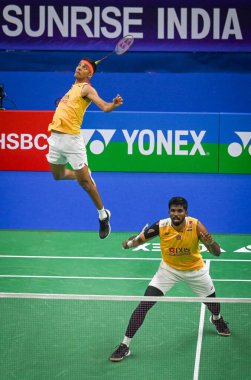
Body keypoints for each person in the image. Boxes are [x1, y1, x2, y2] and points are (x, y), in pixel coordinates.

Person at [110, 196, 231, 362]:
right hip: (168, 271)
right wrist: (128, 244)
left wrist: (211, 244)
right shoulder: (162, 225)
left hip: (195, 271)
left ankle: (216, 319)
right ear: (169, 212)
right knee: (144, 304)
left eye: (180, 211)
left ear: (186, 212)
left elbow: (216, 252)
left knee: (214, 305)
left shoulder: (196, 226)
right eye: (173, 211)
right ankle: (125, 345)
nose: (176, 214)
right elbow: (140, 239)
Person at [46, 58, 123, 239]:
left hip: (72, 140)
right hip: (55, 138)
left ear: (89, 74)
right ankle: (84, 173)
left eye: (84, 68)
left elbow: (104, 106)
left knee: (86, 184)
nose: (79, 68)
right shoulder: (71, 89)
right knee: (58, 175)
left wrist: (113, 104)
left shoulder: (86, 88)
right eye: (79, 65)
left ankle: (103, 215)